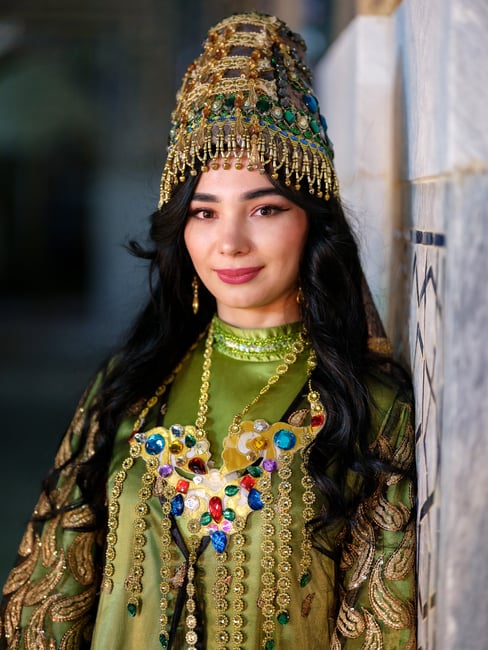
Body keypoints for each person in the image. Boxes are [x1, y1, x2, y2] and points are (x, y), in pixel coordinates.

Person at [0, 12, 416, 650]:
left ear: (313, 224)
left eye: (266, 208)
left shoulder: (369, 407)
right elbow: (44, 607)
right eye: (204, 211)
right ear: (182, 229)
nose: (230, 241)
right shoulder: (128, 389)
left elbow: (380, 631)